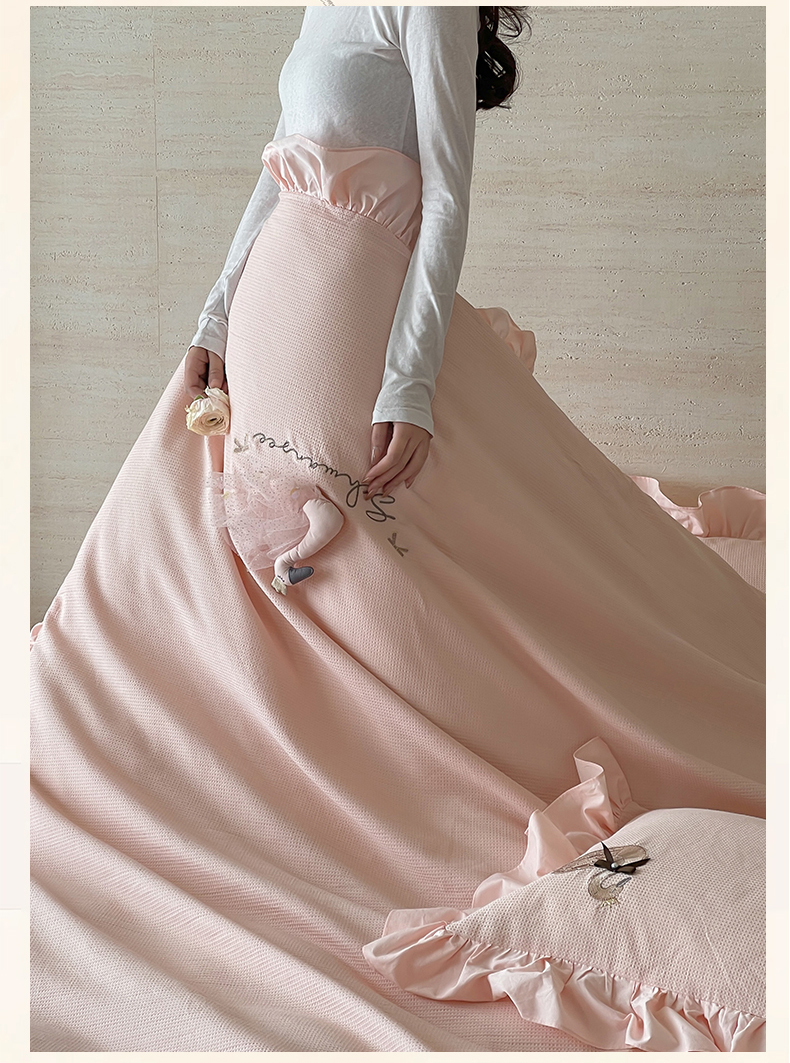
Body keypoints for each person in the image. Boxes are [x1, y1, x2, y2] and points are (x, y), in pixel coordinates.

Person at [30, 5, 765, 1052]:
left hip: (352, 303)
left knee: (348, 552)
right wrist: (212, 320)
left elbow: (448, 193)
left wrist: (408, 380)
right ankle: (205, 774)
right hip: (278, 286)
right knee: (232, 541)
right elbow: (275, 172)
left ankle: (372, 799)